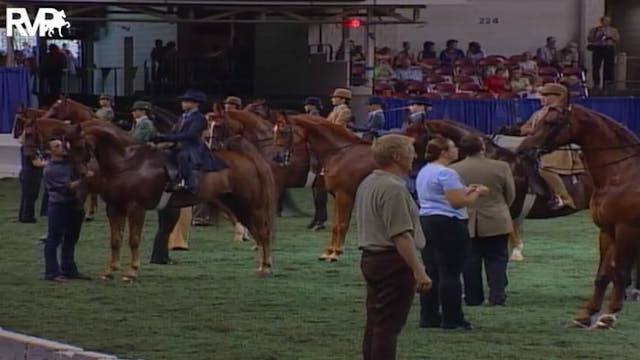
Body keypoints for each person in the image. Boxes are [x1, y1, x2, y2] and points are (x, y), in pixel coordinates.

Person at [355, 134, 431, 360]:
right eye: (410, 150)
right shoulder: (393, 189)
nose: (414, 156)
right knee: (388, 327)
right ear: (397, 157)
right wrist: (419, 270)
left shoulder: (369, 182)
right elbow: (401, 235)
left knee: (376, 323)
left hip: (372, 258)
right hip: (393, 261)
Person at [416, 136, 487, 330]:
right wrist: (477, 192)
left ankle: (429, 316)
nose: (457, 150)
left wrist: (466, 190)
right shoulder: (447, 173)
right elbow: (457, 202)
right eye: (453, 147)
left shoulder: (425, 170)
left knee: (432, 270)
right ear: (444, 152)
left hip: (427, 220)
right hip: (449, 222)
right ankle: (452, 318)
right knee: (451, 273)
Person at [450, 134, 515, 306]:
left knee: (470, 259)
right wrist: (500, 206)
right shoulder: (501, 166)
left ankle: (473, 297)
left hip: (466, 219)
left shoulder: (455, 169)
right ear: (482, 148)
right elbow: (510, 194)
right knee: (498, 258)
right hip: (496, 218)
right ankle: (497, 295)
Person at [150, 89, 223, 193]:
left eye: (186, 101)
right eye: (183, 101)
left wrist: (167, 138)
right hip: (179, 145)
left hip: (193, 146)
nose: (183, 103)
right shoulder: (182, 117)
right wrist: (161, 137)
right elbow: (175, 132)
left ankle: (189, 183)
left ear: (195, 104)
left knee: (182, 156)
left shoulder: (199, 118)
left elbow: (191, 135)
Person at [42, 137, 91, 282]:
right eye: (56, 146)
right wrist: (85, 179)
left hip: (73, 205)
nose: (61, 148)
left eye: (61, 145)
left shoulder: (69, 163)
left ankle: (69, 269)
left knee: (71, 239)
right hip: (59, 206)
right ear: (49, 151)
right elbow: (68, 187)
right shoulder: (51, 169)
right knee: (54, 239)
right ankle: (51, 273)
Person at [520, 83, 576, 209]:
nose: (542, 98)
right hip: (537, 145)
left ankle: (565, 197)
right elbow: (524, 128)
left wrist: (536, 131)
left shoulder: (563, 112)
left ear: (558, 97)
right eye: (542, 95)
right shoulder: (539, 113)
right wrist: (534, 131)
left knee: (545, 169)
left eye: (546, 95)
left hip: (557, 147)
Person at [17, 132, 45, 223]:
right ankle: (27, 216)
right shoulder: (30, 149)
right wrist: (49, 162)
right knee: (30, 196)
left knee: (26, 196)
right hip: (31, 174)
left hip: (28, 174)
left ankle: (24, 215)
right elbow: (36, 163)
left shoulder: (29, 148)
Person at [588, 16, 620, 90]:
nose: (607, 22)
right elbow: (590, 39)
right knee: (596, 66)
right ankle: (596, 84)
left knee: (609, 67)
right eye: (605, 21)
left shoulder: (613, 30)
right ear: (602, 21)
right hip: (598, 48)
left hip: (609, 48)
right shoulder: (595, 30)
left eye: (608, 21)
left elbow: (617, 39)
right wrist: (599, 36)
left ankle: (608, 84)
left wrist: (610, 37)